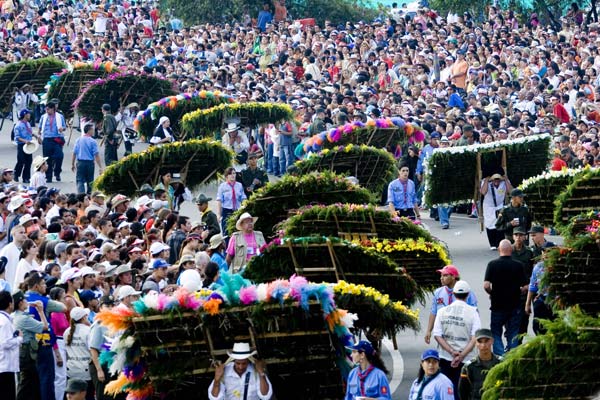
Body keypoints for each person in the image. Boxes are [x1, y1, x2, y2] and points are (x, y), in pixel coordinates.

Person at [432, 280, 481, 399]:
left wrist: (451, 352)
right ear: (468, 294)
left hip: (445, 357)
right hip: (467, 359)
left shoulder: (442, 311)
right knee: (464, 391)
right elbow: (475, 337)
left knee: (446, 391)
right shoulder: (473, 312)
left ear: (453, 294)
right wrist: (461, 356)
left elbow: (437, 335)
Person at [483, 240, 528, 356]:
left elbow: (486, 285)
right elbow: (526, 286)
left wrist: (492, 293)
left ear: (499, 249)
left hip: (497, 304)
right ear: (511, 250)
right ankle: (512, 356)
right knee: (513, 331)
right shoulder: (518, 265)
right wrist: (519, 291)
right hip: (515, 304)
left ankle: (500, 356)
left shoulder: (492, 264)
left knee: (496, 331)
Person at [425, 265, 478, 344]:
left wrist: (474, 333)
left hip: (461, 331)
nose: (441, 278)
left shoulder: (466, 292)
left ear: (453, 277)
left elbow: (474, 313)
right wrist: (428, 331)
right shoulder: (438, 292)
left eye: (445, 275)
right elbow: (434, 312)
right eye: (441, 275)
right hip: (444, 332)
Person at [12, 289, 48, 400]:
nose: (27, 302)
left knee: (26, 383)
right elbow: (45, 327)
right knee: (27, 384)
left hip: (21, 353)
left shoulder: (14, 315)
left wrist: (30, 303)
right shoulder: (24, 319)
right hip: (27, 354)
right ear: (20, 302)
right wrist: (41, 311)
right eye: (25, 300)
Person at [208, 342, 272, 400]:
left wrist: (261, 373)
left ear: (248, 361)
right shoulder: (224, 372)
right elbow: (214, 398)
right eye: (238, 363)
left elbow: (265, 396)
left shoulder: (256, 371)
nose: (240, 367)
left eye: (244, 363)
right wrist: (217, 379)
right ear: (234, 360)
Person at [458, 329, 502, 400]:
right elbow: (463, 392)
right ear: (475, 343)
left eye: (486, 341)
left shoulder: (501, 363)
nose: (483, 345)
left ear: (492, 341)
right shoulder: (468, 367)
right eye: (480, 341)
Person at [64, 307, 93, 398]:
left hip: (71, 369)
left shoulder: (66, 332)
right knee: (88, 396)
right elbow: (93, 350)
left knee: (72, 396)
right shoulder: (88, 331)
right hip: (85, 370)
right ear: (84, 318)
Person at [480, 173, 512, 250]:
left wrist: (506, 180)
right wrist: (487, 180)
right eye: (495, 180)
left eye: (498, 180)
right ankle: (492, 244)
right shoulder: (485, 182)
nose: (497, 182)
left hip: (500, 205)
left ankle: (499, 243)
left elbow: (510, 191)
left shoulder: (504, 182)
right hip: (489, 206)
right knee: (490, 224)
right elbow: (483, 192)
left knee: (500, 223)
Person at [0, 290, 22, 400]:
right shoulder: (4, 321)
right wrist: (19, 339)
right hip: (5, 367)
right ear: (10, 304)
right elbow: (5, 343)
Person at [38, 101, 67, 183]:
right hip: (47, 139)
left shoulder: (59, 116)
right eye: (46, 109)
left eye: (48, 109)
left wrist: (62, 129)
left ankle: (57, 172)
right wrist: (39, 137)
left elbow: (64, 127)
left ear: (53, 109)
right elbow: (40, 128)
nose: (47, 111)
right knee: (47, 159)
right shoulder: (43, 117)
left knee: (59, 156)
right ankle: (48, 177)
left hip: (57, 139)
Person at [72, 123, 103, 195]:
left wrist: (72, 164)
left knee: (80, 180)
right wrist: (100, 166)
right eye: (92, 130)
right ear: (89, 130)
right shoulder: (93, 141)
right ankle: (89, 195)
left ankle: (81, 195)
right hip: (90, 163)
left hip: (80, 162)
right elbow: (96, 154)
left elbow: (74, 153)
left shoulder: (78, 140)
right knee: (90, 180)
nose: (93, 131)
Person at [216, 167, 246, 236]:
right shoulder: (222, 186)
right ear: (226, 176)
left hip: (237, 211)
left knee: (238, 231)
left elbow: (243, 197)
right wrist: (218, 214)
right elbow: (219, 200)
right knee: (226, 232)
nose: (232, 175)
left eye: (234, 173)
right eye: (230, 174)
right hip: (227, 211)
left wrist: (244, 206)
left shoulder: (239, 185)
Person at [14, 109, 39, 184]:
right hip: (22, 145)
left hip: (29, 145)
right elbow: (17, 137)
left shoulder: (28, 124)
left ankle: (26, 177)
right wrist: (25, 141)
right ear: (25, 115)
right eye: (28, 114)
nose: (30, 115)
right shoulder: (18, 125)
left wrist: (36, 136)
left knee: (28, 161)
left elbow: (30, 132)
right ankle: (16, 174)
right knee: (21, 160)